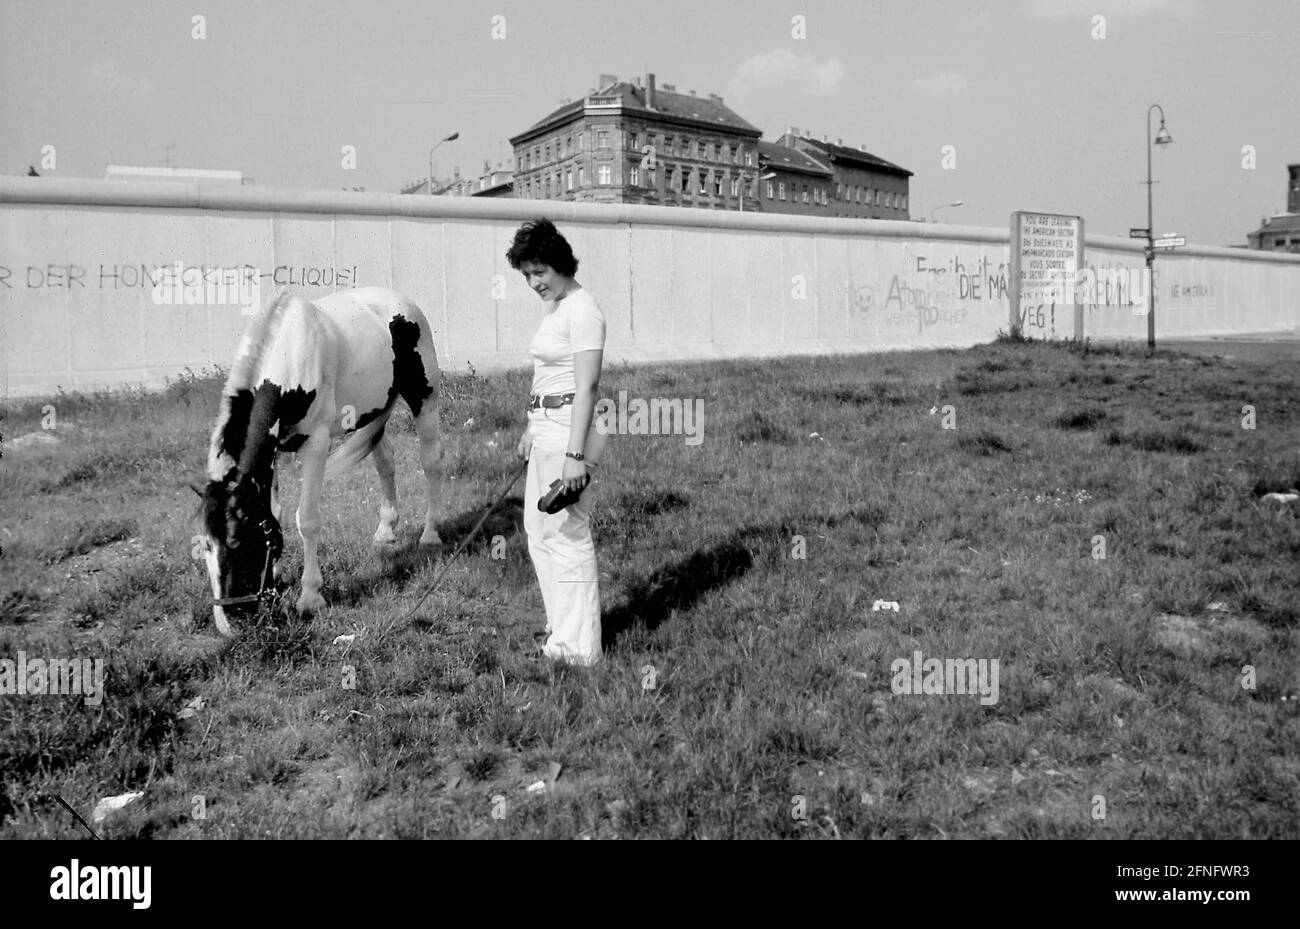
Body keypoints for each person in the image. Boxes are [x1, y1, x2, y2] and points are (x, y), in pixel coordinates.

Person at [506, 219, 609, 666]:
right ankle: (560, 633)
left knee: (567, 534)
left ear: (561, 263)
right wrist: (531, 425)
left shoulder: (584, 309)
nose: (533, 283)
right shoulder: (557, 307)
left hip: (570, 430)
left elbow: (587, 387)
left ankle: (581, 648)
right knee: (538, 533)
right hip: (545, 428)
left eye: (540, 272)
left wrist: (575, 456)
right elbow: (547, 371)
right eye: (527, 274)